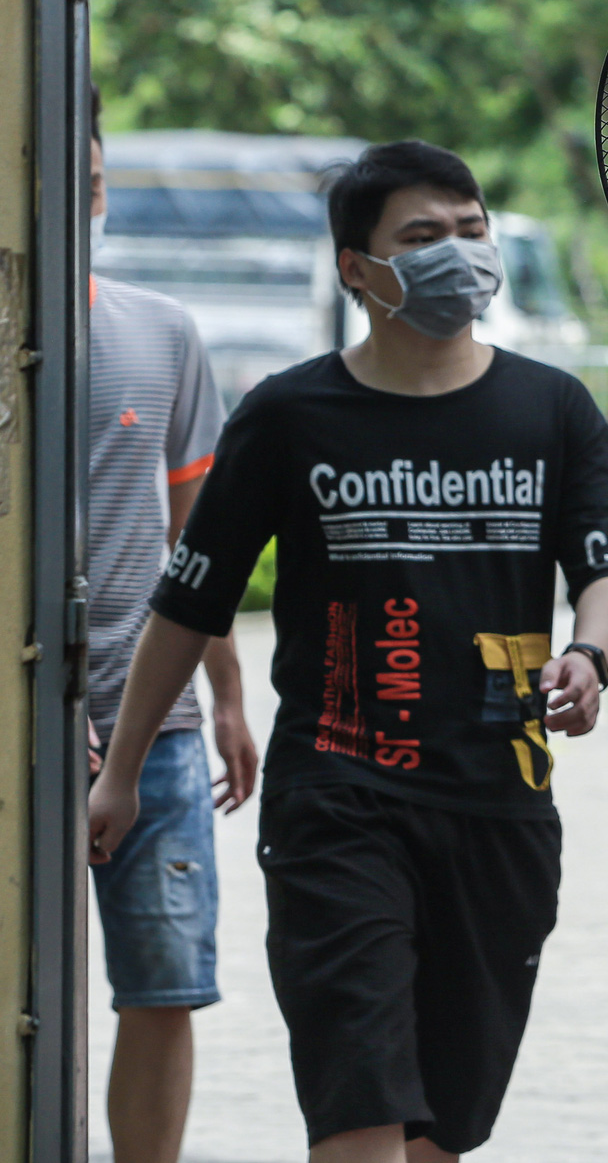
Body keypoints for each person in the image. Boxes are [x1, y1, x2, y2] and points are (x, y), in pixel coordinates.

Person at [86, 140, 608, 1163]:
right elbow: (190, 602)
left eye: (470, 229)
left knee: (440, 1132)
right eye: (422, 236)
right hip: (336, 800)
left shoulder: (551, 408)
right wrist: (123, 771)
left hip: (499, 807)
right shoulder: (290, 415)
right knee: (359, 1111)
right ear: (357, 268)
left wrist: (591, 654)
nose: (458, 254)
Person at [84, 90, 258, 1163]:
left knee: (163, 988)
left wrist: (233, 695)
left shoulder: (161, 333)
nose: (82, 197)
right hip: (32, 722)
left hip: (160, 728)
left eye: (94, 177)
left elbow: (200, 546)